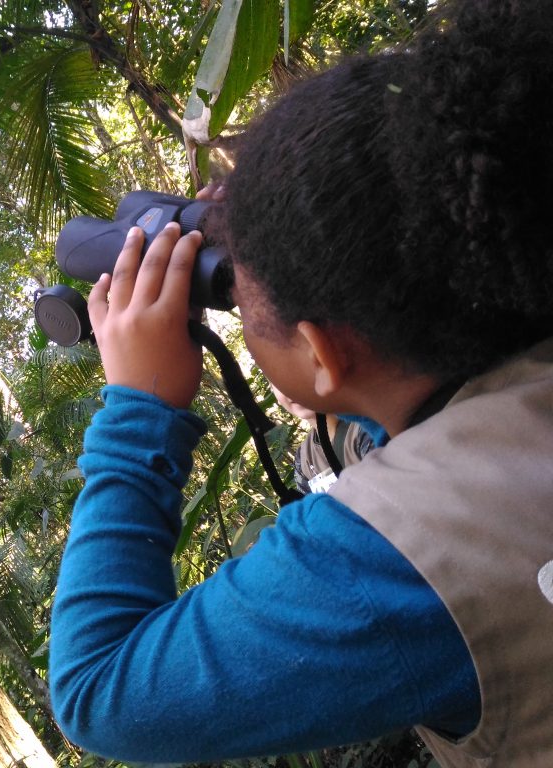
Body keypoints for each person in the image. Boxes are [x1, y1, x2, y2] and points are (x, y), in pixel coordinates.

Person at [48, 1, 553, 766]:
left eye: (248, 313)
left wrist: (140, 410)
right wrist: (342, 388)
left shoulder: (392, 561)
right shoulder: (517, 294)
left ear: (326, 350)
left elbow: (96, 689)